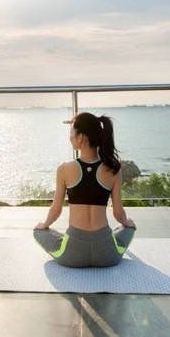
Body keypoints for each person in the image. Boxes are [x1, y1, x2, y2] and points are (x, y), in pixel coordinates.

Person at [33, 112, 136, 268]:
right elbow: (118, 213)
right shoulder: (113, 171)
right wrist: (127, 223)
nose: (70, 136)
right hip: (106, 255)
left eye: (71, 131)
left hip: (72, 255)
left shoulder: (64, 169)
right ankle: (120, 233)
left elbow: (56, 211)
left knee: (38, 232)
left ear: (80, 137)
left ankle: (62, 238)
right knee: (128, 229)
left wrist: (44, 224)